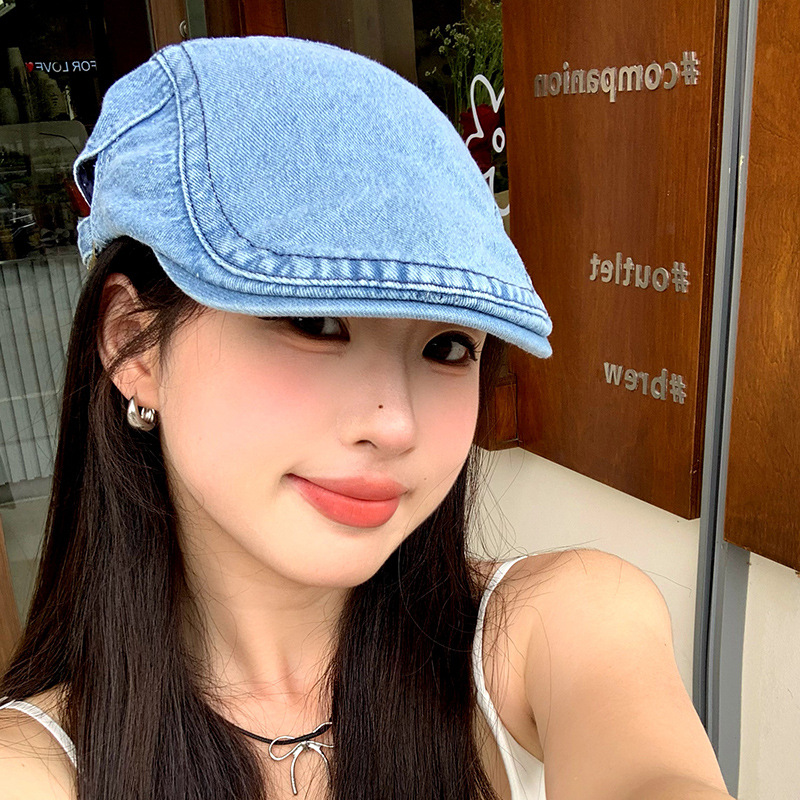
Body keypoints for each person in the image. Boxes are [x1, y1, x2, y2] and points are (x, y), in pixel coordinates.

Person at [0, 36, 733, 800]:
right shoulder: (34, 770)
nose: (395, 425)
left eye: (447, 346)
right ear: (134, 345)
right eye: (316, 323)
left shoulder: (561, 623)